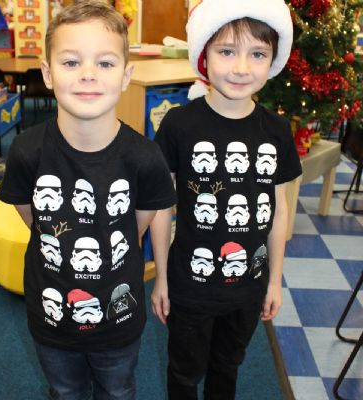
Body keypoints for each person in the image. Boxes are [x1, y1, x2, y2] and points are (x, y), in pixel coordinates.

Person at [0, 1, 176, 399]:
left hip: (118, 318)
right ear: (48, 73)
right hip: (51, 317)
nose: (88, 74)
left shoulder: (145, 157)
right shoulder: (26, 152)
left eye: (105, 63)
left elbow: (134, 229)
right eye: (71, 62)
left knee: (118, 390)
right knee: (64, 391)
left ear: (126, 76)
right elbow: (35, 220)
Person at [150, 0, 302, 399]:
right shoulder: (179, 124)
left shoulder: (276, 130)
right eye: (227, 51)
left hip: (249, 286)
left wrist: (274, 280)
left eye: (258, 54)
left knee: (228, 365)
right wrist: (161, 277)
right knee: (184, 373)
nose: (241, 68)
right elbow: (162, 206)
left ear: (273, 60)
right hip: (190, 284)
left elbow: (278, 208)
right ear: (204, 55)